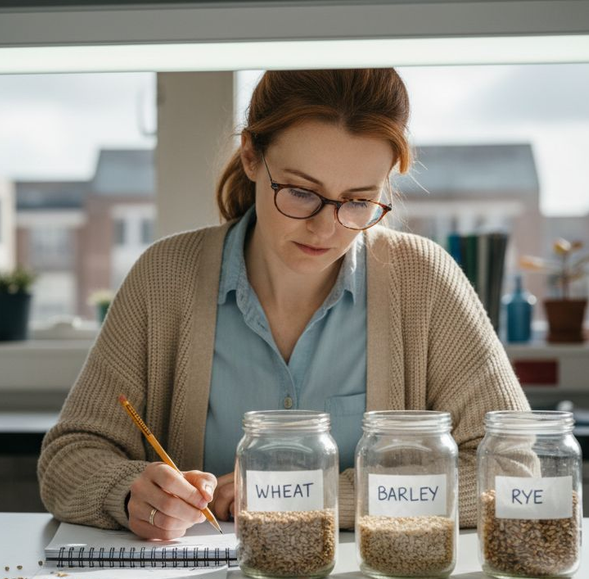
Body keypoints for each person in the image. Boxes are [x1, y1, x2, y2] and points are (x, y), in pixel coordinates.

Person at [38, 68, 529, 540]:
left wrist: (310, 496)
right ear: (251, 157)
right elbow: (69, 457)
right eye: (299, 192)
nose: (325, 228)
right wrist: (129, 492)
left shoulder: (423, 280)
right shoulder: (165, 276)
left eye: (358, 201)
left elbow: (514, 468)